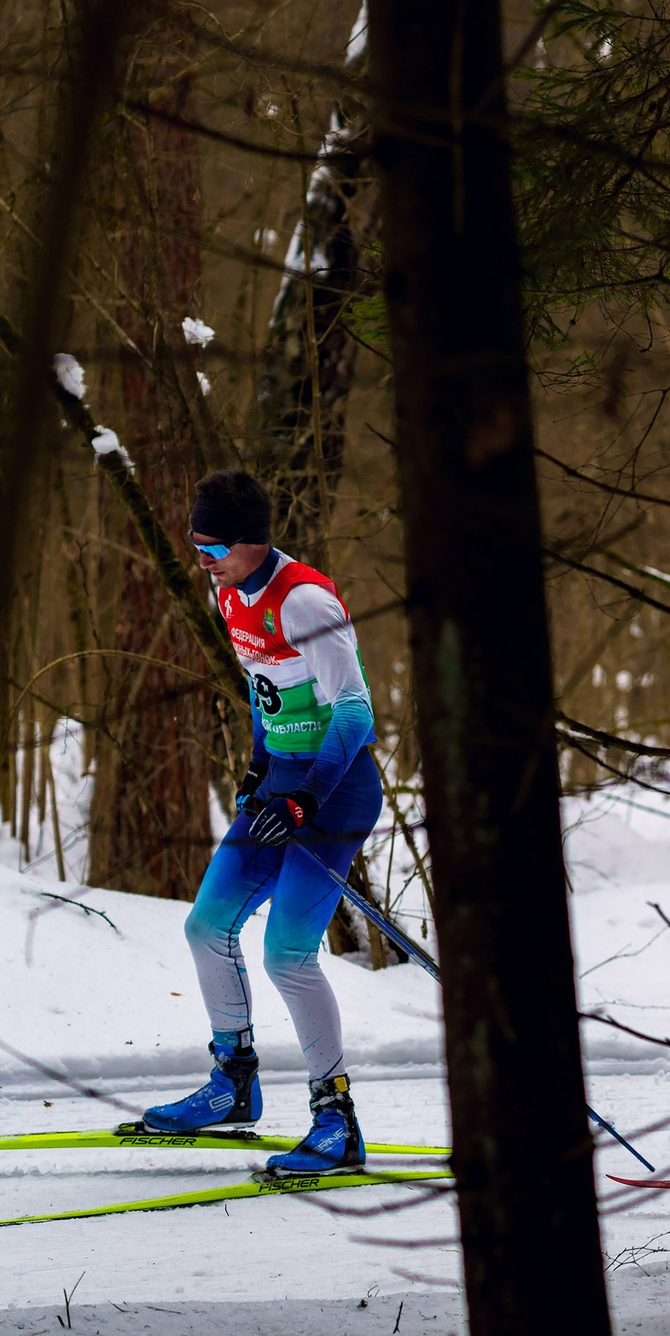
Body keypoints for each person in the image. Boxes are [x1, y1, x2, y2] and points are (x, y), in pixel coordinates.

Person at [141, 470, 384, 1174]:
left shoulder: (305, 600)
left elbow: (356, 711)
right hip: (279, 784)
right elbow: (263, 687)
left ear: (252, 541)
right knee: (205, 924)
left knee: (287, 954)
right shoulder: (229, 591)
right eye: (196, 543)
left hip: (333, 793)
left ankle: (336, 1119)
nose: (203, 556)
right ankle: (232, 1084)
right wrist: (257, 767)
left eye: (213, 544)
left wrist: (304, 799)